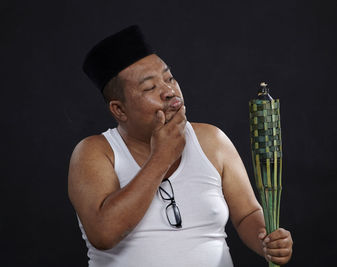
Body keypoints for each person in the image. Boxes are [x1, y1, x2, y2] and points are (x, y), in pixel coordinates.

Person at [68, 25, 293, 267]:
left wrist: (266, 241)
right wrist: (162, 156)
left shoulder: (211, 140)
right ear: (119, 109)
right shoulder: (95, 152)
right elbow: (103, 233)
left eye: (169, 78)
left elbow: (247, 214)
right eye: (149, 88)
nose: (168, 91)